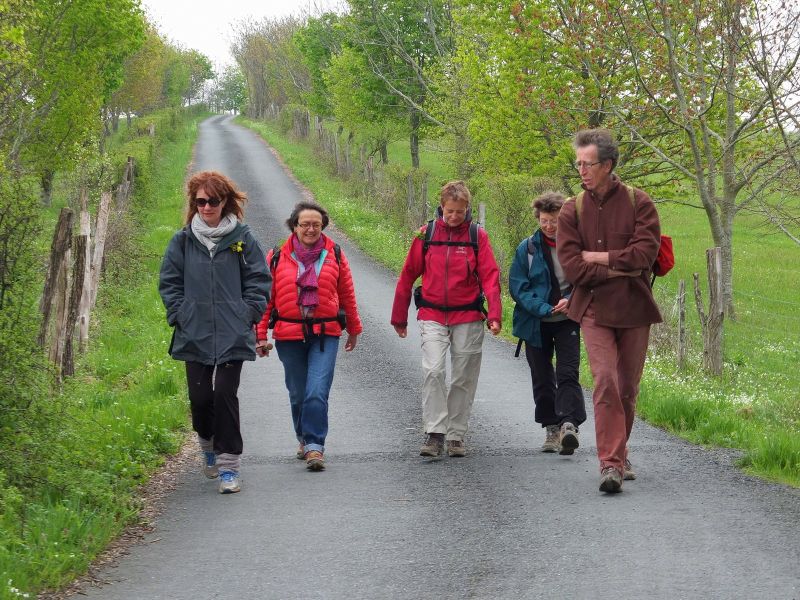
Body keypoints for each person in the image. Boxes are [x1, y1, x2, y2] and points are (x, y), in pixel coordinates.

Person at [557, 129, 662, 493]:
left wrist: (600, 257)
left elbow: (644, 256)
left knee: (628, 389)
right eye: (578, 164)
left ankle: (620, 450)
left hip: (634, 308)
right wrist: (620, 267)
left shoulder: (640, 203)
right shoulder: (572, 209)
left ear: (608, 165)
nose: (581, 170)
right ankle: (611, 465)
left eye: (587, 164)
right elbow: (572, 267)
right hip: (593, 310)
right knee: (605, 381)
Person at [159, 171, 271, 494]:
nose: (207, 207)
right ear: (194, 204)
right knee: (200, 398)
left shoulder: (242, 239)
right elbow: (169, 282)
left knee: (224, 393)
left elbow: (259, 280)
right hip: (194, 333)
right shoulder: (182, 241)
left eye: (213, 201)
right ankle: (207, 442)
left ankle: (228, 467)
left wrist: (246, 313)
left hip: (232, 333)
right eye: (201, 201)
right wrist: (180, 314)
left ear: (226, 202)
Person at [391, 180, 502, 458]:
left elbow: (490, 277)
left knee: (464, 375)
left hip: (468, 314)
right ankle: (435, 432)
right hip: (432, 313)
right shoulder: (425, 234)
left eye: (459, 211)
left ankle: (456, 434)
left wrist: (495, 315)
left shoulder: (478, 236)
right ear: (441, 207)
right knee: (433, 370)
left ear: (468, 209)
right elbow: (408, 275)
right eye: (449, 211)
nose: (454, 216)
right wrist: (399, 317)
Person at [256, 201, 362, 472]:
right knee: (298, 393)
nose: (311, 229)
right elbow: (267, 299)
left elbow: (347, 295)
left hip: (325, 333)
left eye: (316, 224)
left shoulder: (335, 254)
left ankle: (315, 446)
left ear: (323, 227)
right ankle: (303, 437)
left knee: (316, 392)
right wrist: (260, 334)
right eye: (305, 224)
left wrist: (354, 328)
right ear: (295, 226)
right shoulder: (278, 256)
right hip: (288, 334)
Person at [509, 192, 585, 455]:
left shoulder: (577, 246)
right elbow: (518, 288)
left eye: (554, 220)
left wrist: (570, 299)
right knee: (541, 377)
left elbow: (585, 280)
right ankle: (551, 428)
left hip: (568, 319)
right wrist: (543, 308)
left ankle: (568, 425)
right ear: (538, 219)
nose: (549, 226)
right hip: (535, 322)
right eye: (544, 220)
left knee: (567, 373)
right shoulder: (527, 249)